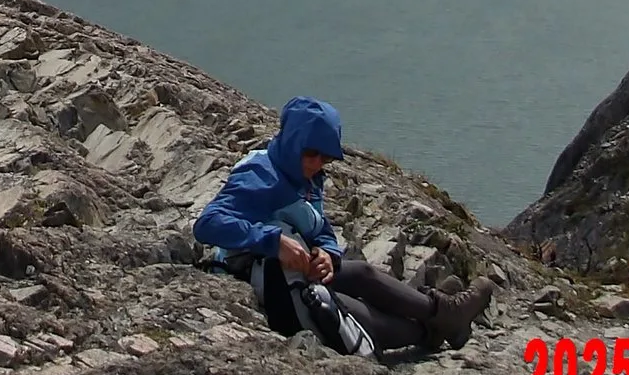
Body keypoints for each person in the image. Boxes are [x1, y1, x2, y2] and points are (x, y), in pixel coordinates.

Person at [194, 96, 495, 353]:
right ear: (292, 141)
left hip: (299, 275)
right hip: (270, 286)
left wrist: (327, 253)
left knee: (362, 271)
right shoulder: (260, 175)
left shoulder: (307, 178)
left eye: (324, 157)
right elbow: (208, 224)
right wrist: (272, 241)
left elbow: (320, 229)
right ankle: (437, 324)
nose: (316, 163)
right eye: (310, 153)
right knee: (351, 310)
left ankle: (445, 315)